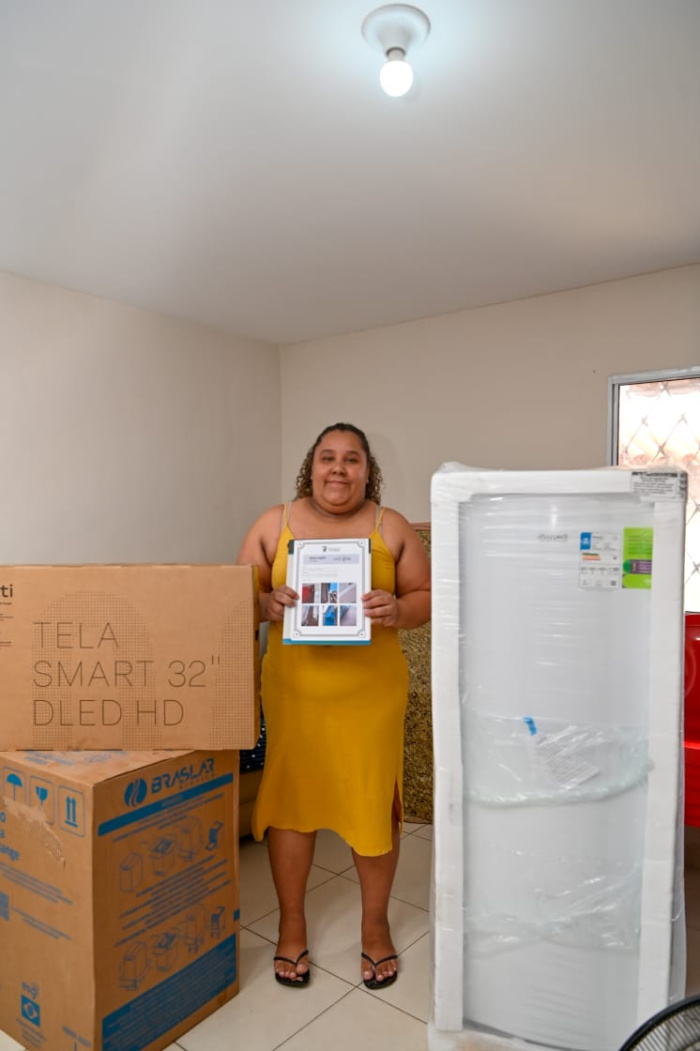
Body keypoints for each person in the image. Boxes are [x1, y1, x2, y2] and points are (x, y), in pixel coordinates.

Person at [236, 423, 431, 990]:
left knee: (372, 804)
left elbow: (425, 597)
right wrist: (264, 602)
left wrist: (398, 608)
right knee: (293, 805)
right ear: (311, 466)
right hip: (295, 695)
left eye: (352, 459)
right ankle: (291, 928)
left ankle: (374, 929)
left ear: (367, 470)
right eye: (328, 458)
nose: (339, 469)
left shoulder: (388, 525)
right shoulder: (275, 523)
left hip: (370, 697)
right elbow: (234, 598)